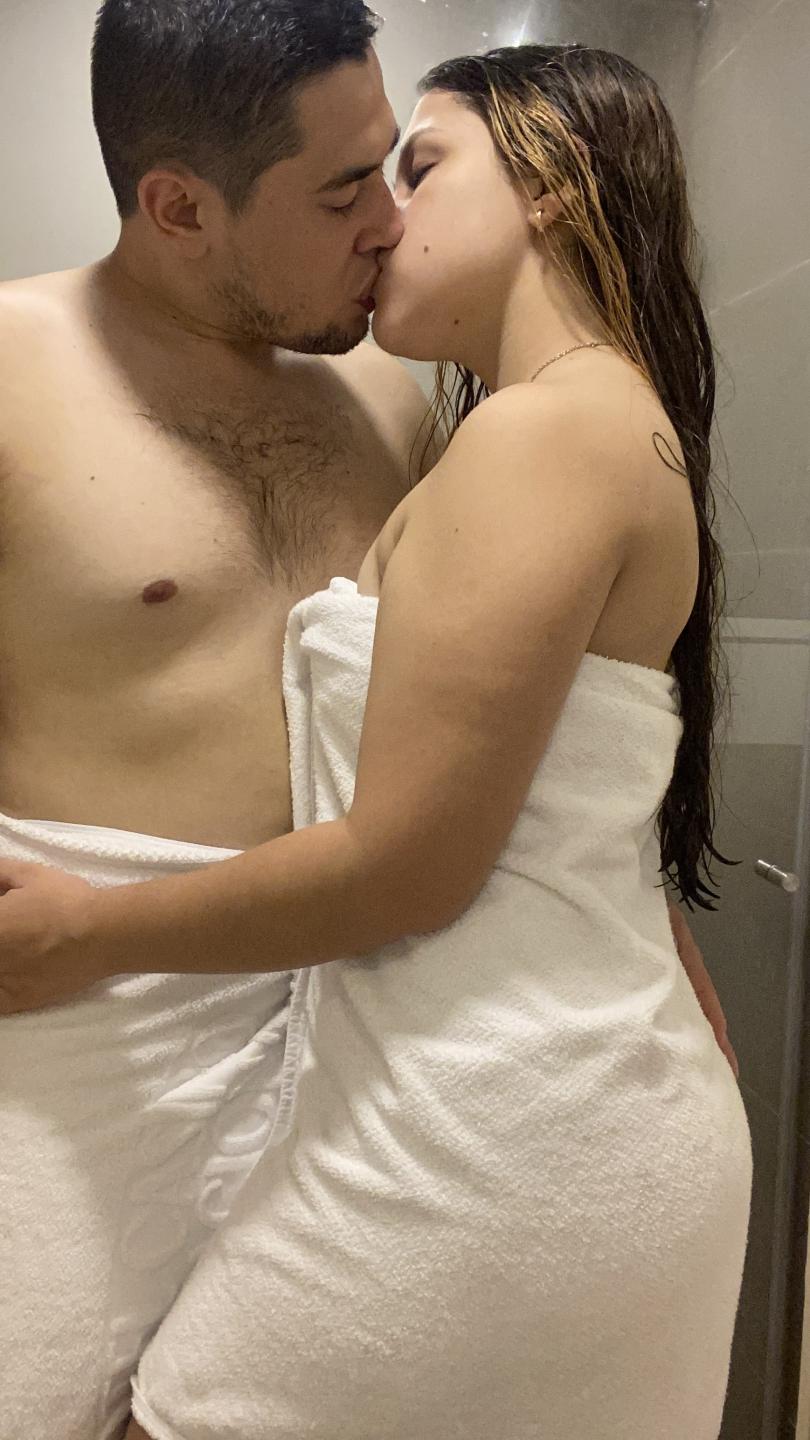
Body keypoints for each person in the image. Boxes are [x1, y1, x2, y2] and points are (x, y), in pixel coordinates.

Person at [0, 29, 750, 1440]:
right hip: (86, 1033)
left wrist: (644, 915)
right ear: (180, 206)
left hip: (359, 1043)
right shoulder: (11, 371)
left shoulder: (392, 401)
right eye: (349, 187)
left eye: (403, 168)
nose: (387, 222)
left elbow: (514, 741)